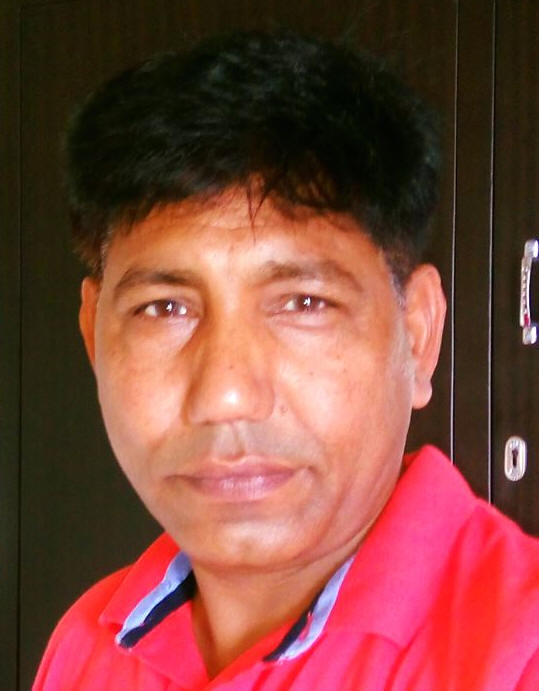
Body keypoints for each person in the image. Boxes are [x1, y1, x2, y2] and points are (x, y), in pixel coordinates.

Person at [33, 30, 539, 690]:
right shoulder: (86, 643)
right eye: (165, 307)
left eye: (304, 302)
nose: (225, 395)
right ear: (94, 339)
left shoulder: (517, 652)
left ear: (416, 337)